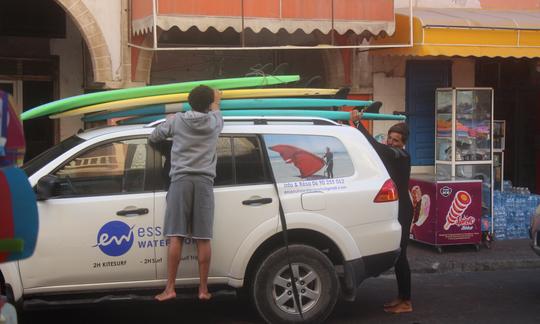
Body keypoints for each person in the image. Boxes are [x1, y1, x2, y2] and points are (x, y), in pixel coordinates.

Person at [151, 85, 223, 302]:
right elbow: (217, 109)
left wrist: (170, 121)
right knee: (203, 238)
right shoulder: (215, 121)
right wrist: (217, 100)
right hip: (204, 182)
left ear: (189, 101)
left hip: (180, 181)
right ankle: (203, 290)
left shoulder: (177, 120)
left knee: (176, 235)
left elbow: (155, 136)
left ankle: (170, 288)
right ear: (210, 104)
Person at [351, 110, 413, 314]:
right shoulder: (392, 153)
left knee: (401, 256)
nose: (391, 142)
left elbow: (377, 148)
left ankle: (407, 301)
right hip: (394, 207)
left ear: (403, 143)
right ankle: (401, 297)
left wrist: (359, 125)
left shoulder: (401, 155)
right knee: (398, 256)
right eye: (390, 138)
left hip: (403, 209)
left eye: (396, 140)